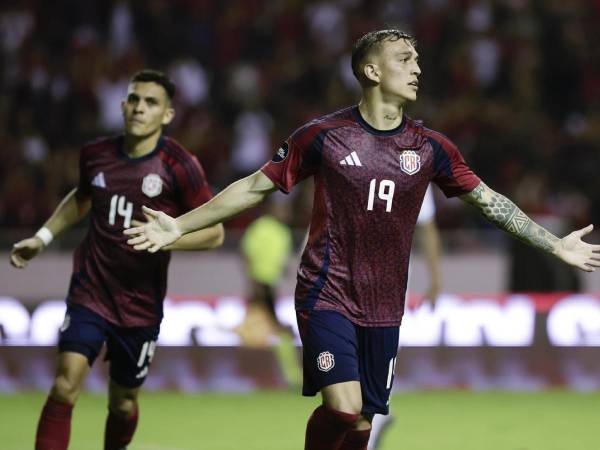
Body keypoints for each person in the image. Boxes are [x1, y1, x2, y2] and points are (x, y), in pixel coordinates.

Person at [124, 30, 600, 450]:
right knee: (344, 407)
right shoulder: (324, 136)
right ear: (371, 71)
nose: (417, 68)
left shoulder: (431, 147)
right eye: (404, 59)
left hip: (384, 306)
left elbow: (490, 201)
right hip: (326, 293)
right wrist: (180, 224)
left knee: (362, 425)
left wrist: (554, 244)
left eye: (417, 59)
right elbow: (253, 186)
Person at [10, 69, 224, 450]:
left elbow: (215, 233)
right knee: (64, 384)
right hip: (90, 289)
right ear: (123, 105)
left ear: (168, 115)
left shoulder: (179, 166)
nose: (140, 108)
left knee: (123, 403)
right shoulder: (96, 155)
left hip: (140, 304)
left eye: (151, 102)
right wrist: (42, 238)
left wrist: (167, 240)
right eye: (135, 100)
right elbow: (81, 198)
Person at [367, 184, 441, 450]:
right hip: (343, 276)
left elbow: (427, 226)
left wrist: (435, 281)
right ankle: (368, 423)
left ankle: (371, 427)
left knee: (377, 355)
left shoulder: (415, 163)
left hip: (388, 281)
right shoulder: (344, 152)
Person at [236, 198, 302, 387]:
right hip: (261, 284)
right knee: (280, 330)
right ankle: (293, 376)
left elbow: (277, 261)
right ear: (270, 209)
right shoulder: (260, 228)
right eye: (281, 209)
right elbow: (247, 254)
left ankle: (291, 375)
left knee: (261, 328)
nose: (285, 213)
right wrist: (253, 281)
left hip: (269, 285)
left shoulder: (283, 232)